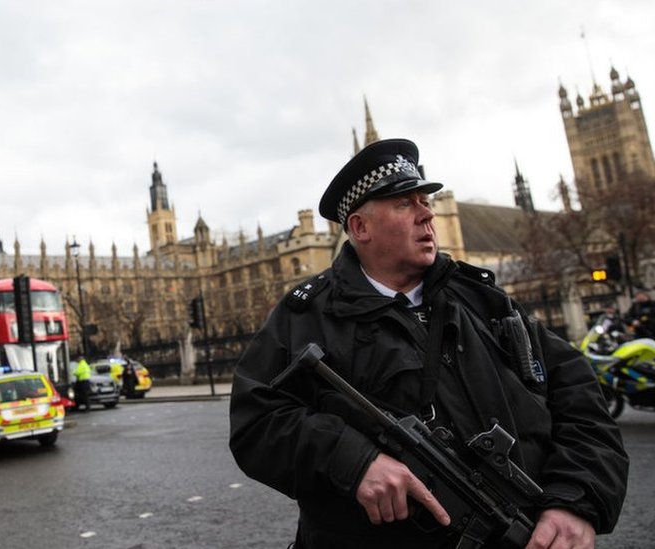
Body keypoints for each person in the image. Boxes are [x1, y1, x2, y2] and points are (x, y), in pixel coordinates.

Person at [228, 138, 628, 548]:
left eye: (425, 200)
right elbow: (256, 423)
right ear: (359, 227)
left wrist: (575, 499)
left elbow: (578, 396)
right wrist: (354, 461)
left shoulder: (483, 300)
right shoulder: (307, 315)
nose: (426, 214)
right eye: (405, 204)